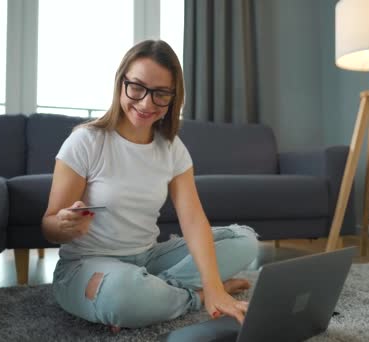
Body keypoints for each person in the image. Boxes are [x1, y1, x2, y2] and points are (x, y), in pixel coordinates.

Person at [41, 40, 259, 333]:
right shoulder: (85, 141)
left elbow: (193, 220)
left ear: (173, 97)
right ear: (122, 83)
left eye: (160, 94)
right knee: (120, 294)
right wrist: (64, 224)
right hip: (85, 265)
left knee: (245, 241)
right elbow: (48, 224)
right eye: (137, 87)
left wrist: (212, 280)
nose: (146, 103)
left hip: (149, 258)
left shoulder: (171, 148)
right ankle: (191, 297)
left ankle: (156, 295)